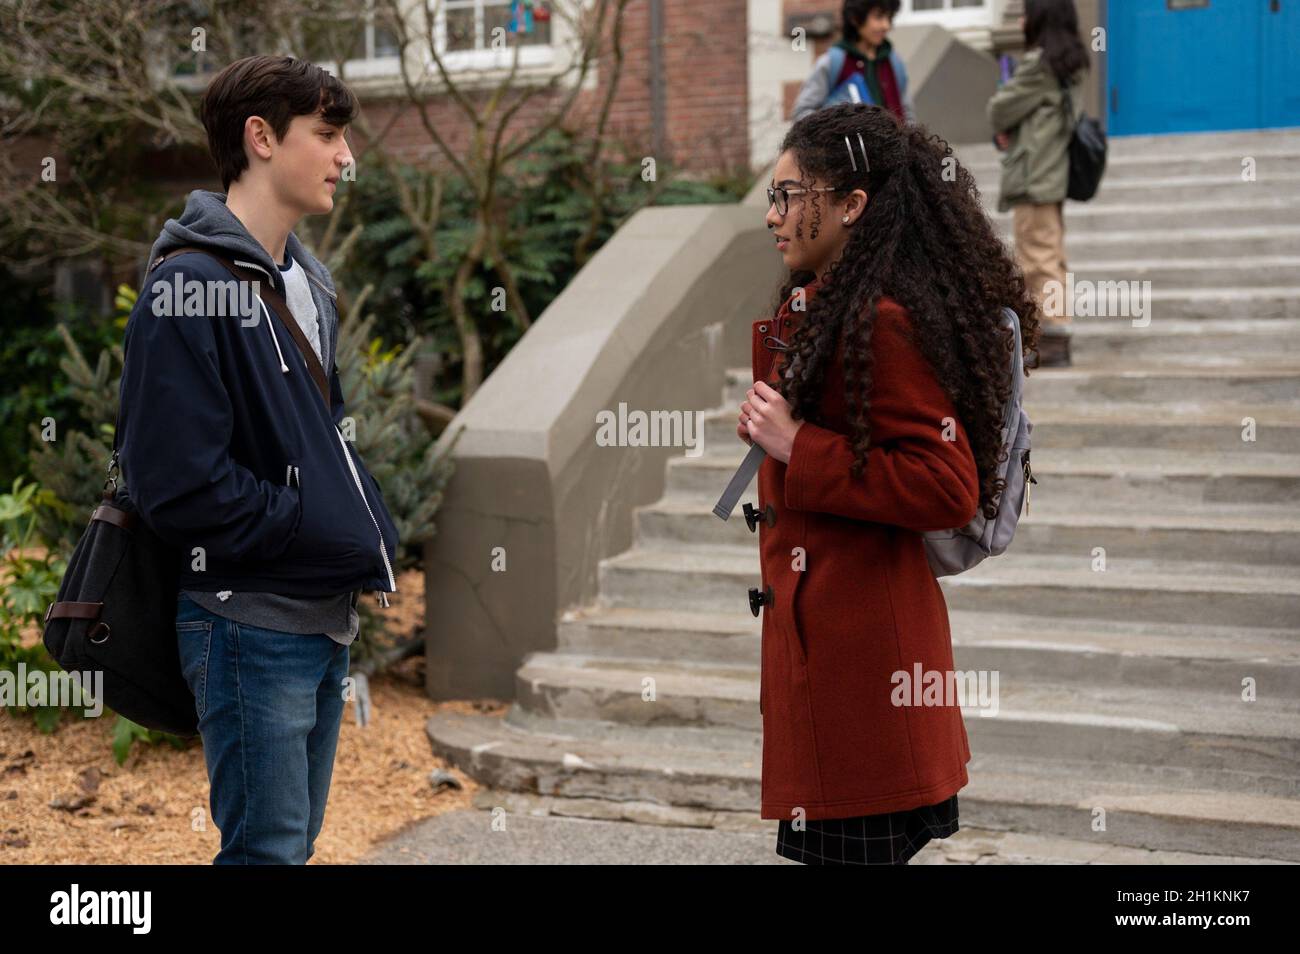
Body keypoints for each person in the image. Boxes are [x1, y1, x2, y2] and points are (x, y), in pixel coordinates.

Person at [739, 103, 1039, 865]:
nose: (773, 214)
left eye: (789, 195)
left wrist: (797, 444)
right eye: (772, 196)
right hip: (836, 661)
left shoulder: (880, 317)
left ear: (850, 206)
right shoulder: (829, 306)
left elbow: (946, 484)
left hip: (866, 677)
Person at [118, 55, 400, 864]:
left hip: (318, 620)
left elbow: (325, 442)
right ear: (261, 138)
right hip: (245, 622)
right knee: (266, 852)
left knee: (289, 847)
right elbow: (178, 485)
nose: (347, 157)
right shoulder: (186, 288)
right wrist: (312, 528)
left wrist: (358, 527)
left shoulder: (308, 282)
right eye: (329, 134)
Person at [987, 0, 1089, 367]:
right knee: (1052, 258)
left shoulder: (1038, 65)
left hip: (1035, 178)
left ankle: (1053, 338)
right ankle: (1053, 337)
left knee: (1037, 260)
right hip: (1054, 176)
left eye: (1027, 13)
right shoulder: (1073, 64)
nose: (1022, 19)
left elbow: (998, 109)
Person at [792, 0, 914, 125]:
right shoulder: (833, 62)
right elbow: (802, 114)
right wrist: (836, 130)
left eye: (889, 17)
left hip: (893, 144)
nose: (886, 25)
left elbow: (908, 116)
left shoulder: (894, 62)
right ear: (855, 18)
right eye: (878, 17)